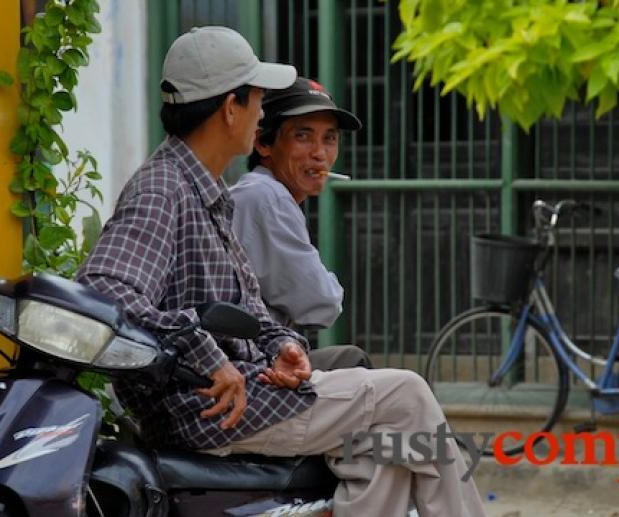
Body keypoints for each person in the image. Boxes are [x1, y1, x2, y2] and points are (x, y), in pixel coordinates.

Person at [77, 26, 485, 517]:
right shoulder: (163, 189)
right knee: (407, 394)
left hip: (244, 388)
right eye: (257, 101)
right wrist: (209, 357)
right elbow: (105, 293)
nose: (262, 114)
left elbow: (247, 307)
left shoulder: (207, 190)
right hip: (208, 408)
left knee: (385, 449)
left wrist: (280, 345)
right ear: (230, 109)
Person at [230, 76, 369, 370]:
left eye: (329, 138)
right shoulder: (266, 196)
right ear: (263, 143)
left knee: (351, 361)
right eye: (303, 136)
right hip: (250, 368)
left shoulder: (259, 192)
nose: (319, 154)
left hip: (263, 358)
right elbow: (321, 304)